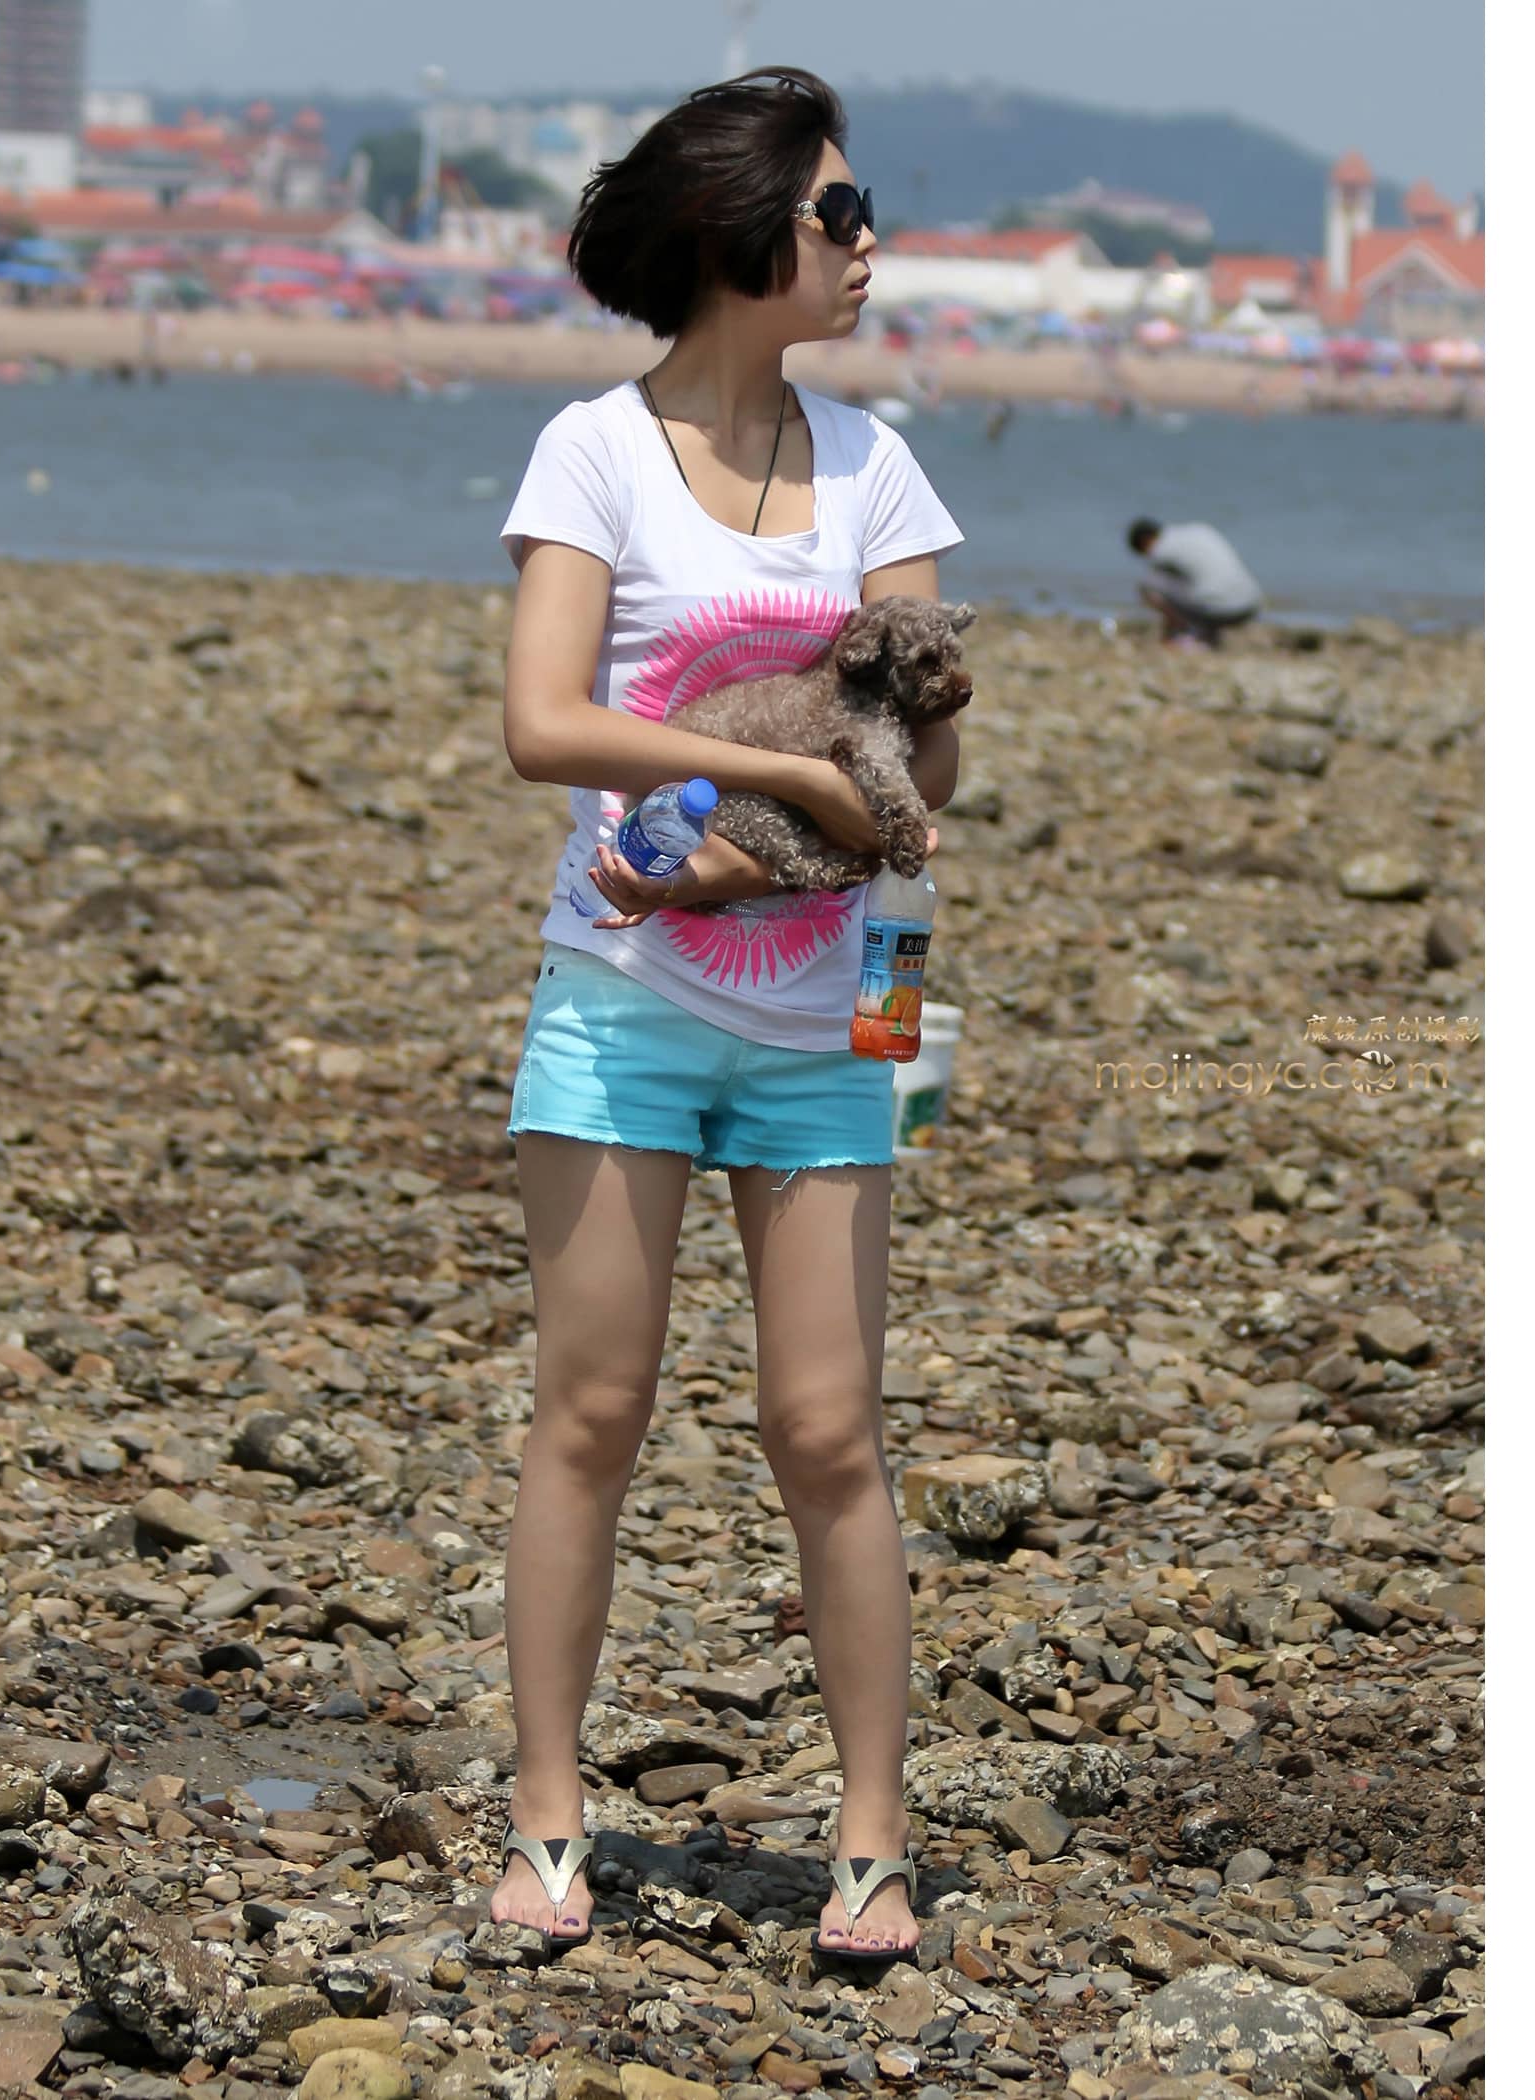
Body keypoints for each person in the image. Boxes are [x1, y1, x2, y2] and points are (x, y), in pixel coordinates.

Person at [491, 66, 965, 1966]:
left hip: (844, 1009)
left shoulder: (880, 468)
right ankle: (547, 1822)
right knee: (590, 1411)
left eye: (862, 210)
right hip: (618, 998)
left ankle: (872, 1843)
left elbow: (934, 759)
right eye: (839, 212)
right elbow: (545, 725)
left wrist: (842, 798)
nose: (868, 242)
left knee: (830, 1427)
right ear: (736, 232)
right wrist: (788, 779)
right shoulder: (591, 453)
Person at [1126, 516, 1263, 647]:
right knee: (1203, 583)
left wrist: (1168, 629)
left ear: (1145, 541)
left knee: (1148, 586)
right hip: (1251, 605)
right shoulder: (1200, 530)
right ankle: (1207, 632)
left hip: (1220, 612)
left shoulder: (1160, 549)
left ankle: (1187, 632)